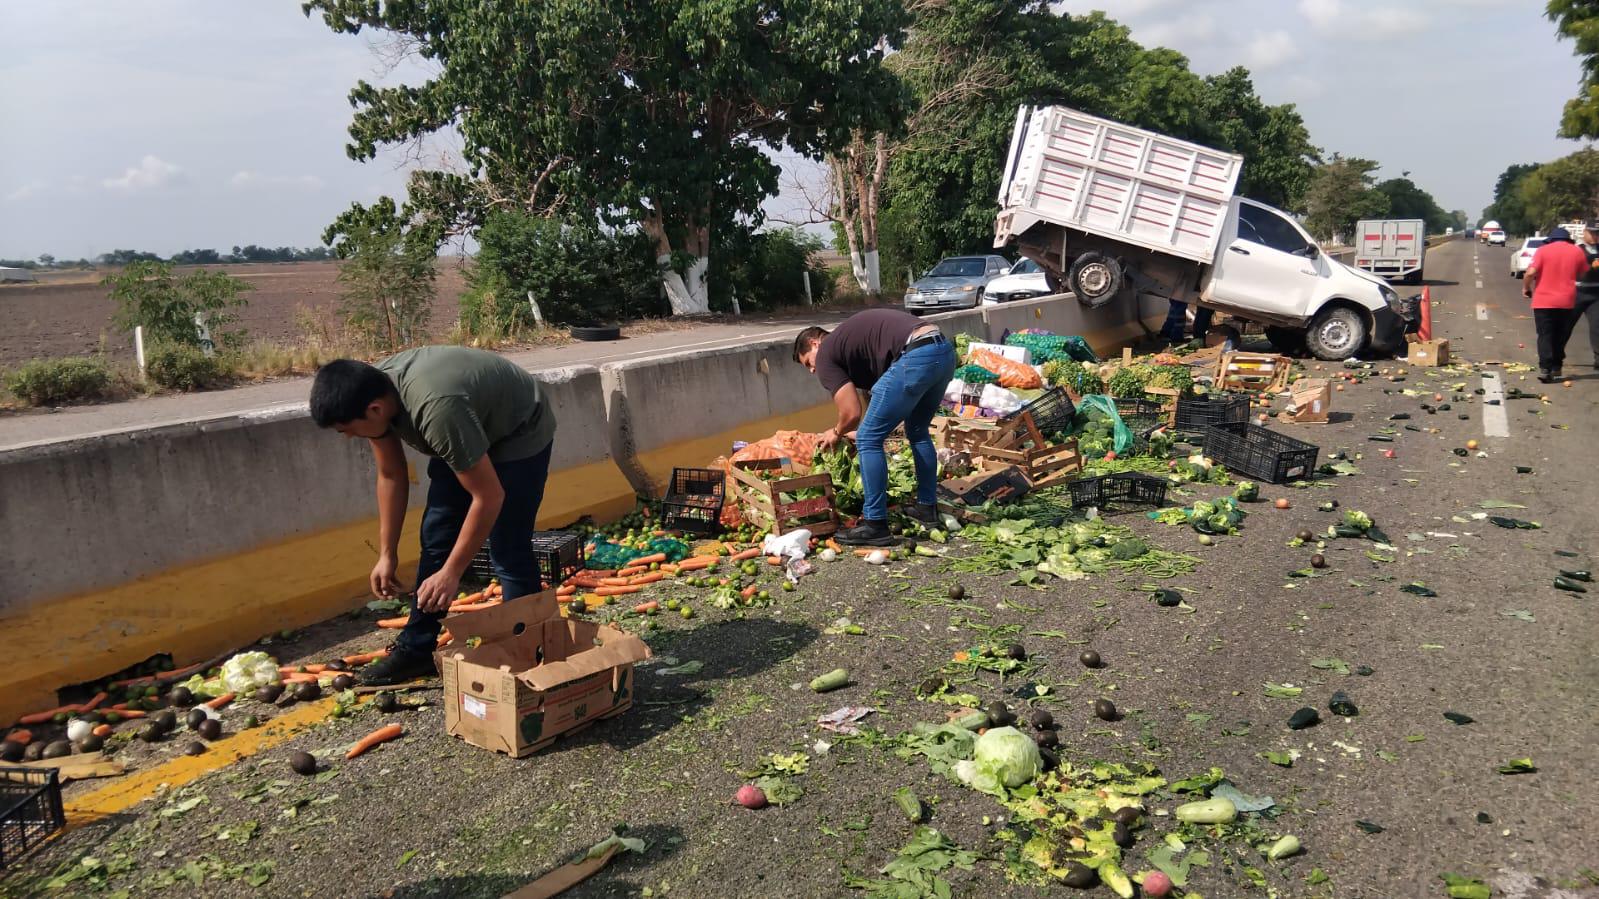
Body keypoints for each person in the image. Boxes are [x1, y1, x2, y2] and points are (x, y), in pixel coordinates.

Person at [309, 346, 557, 685]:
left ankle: (526, 649)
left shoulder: (436, 411)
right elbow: (391, 475)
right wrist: (386, 554)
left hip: (519, 429)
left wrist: (452, 573)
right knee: (438, 532)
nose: (349, 437)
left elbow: (488, 495)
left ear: (375, 409)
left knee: (507, 547)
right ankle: (416, 649)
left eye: (347, 430)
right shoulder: (370, 392)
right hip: (468, 420)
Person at [793, 309, 957, 546]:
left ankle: (875, 524)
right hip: (941, 351)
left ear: (814, 343)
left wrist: (837, 432)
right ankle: (926, 509)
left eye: (808, 362)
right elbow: (877, 397)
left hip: (916, 354)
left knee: (868, 440)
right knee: (918, 431)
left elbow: (851, 413)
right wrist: (866, 427)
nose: (812, 370)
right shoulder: (852, 346)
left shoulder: (827, 352)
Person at [1522, 226, 1587, 383]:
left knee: (1545, 335)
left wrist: (1526, 288)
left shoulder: (1543, 250)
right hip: (1567, 301)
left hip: (1544, 301)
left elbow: (1530, 273)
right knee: (1560, 335)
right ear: (1568, 240)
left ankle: (1545, 368)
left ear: (1551, 239)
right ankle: (1557, 367)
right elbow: (1583, 273)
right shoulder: (1577, 251)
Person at [1573, 223, 1599, 369]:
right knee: (1565, 326)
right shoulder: (1577, 249)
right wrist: (1590, 267)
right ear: (1585, 232)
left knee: (1597, 327)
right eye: (1593, 233)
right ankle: (1555, 359)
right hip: (1577, 291)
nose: (1596, 236)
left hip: (1596, 293)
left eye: (1598, 233)